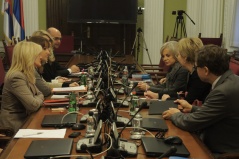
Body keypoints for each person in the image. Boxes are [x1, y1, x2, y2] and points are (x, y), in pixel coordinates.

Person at [162, 45, 239, 156]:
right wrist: (192, 108)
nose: (194, 69)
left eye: (196, 67)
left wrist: (175, 114)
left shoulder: (222, 91)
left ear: (206, 70)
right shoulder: (231, 80)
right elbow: (217, 111)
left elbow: (191, 123)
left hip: (221, 152)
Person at [145, 38, 211, 104]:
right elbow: (182, 94)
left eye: (178, 54)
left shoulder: (197, 75)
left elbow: (188, 102)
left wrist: (167, 99)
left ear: (185, 57)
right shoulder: (191, 73)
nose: (177, 57)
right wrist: (158, 95)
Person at [0, 41, 44, 133]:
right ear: (29, 56)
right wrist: (36, 98)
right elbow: (33, 105)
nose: (41, 57)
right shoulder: (16, 76)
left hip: (26, 119)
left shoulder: (26, 73)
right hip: (14, 126)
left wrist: (36, 98)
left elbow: (40, 94)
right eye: (38, 54)